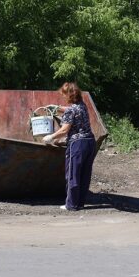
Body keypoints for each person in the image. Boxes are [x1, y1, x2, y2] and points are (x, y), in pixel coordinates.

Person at [43, 82, 97, 211]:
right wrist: (56, 108)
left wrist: (50, 137)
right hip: (90, 142)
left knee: (73, 174)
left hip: (78, 145)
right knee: (84, 174)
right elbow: (71, 110)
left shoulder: (71, 111)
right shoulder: (82, 106)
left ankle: (71, 205)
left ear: (69, 95)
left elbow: (64, 130)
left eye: (64, 94)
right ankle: (80, 202)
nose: (63, 96)